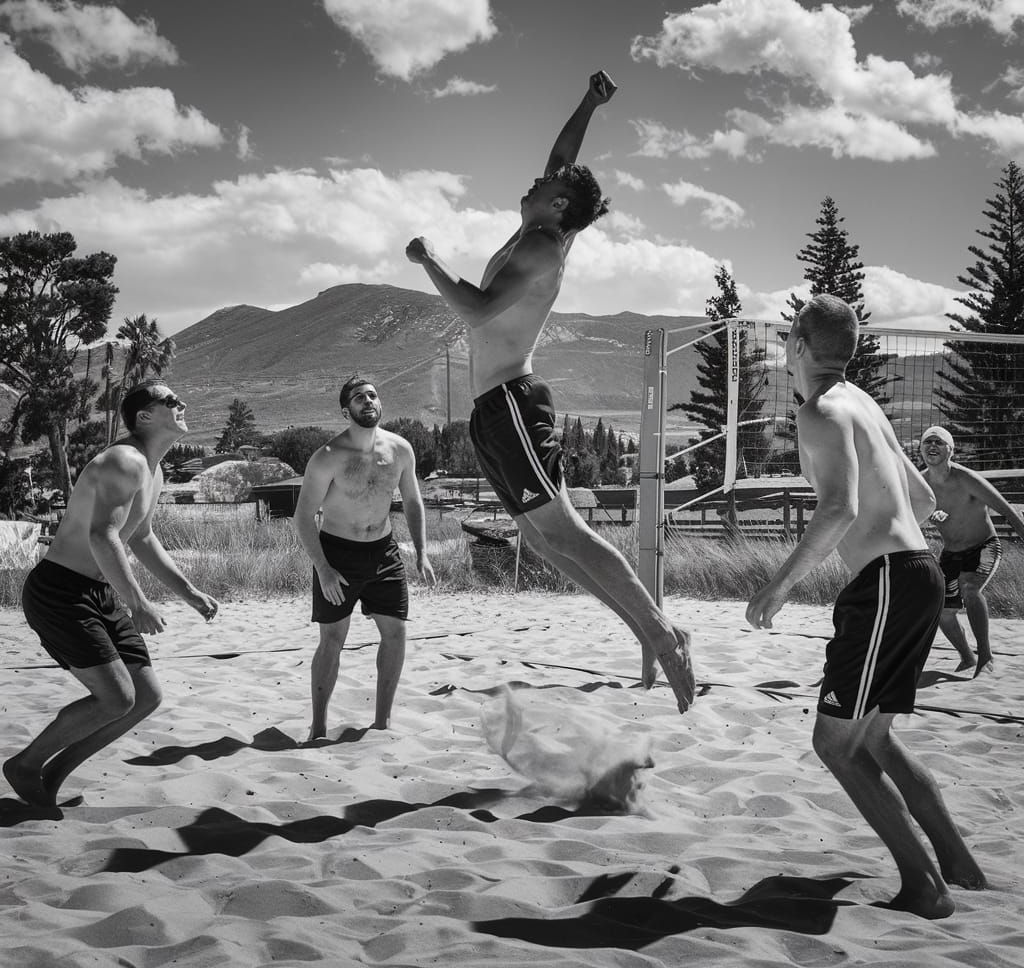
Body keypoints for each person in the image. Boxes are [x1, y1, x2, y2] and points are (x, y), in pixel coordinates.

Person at [405, 69, 694, 713]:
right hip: (492, 409)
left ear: (559, 206)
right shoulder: (543, 224)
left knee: (563, 532)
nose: (536, 179)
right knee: (542, 540)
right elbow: (564, 158)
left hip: (512, 403)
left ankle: (663, 632)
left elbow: (477, 310)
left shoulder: (540, 246)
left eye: (547, 185)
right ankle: (648, 629)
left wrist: (429, 261)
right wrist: (590, 101)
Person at [746, 296, 985, 919]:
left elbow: (839, 510)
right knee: (874, 739)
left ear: (796, 345)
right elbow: (926, 494)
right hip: (918, 575)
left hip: (886, 584)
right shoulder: (864, 403)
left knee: (836, 746)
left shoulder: (821, 412)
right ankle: (960, 865)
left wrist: (777, 587)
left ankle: (926, 887)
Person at [3, 381, 218, 807]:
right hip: (60, 591)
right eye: (172, 401)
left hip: (97, 590)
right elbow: (103, 536)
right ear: (145, 416)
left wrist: (189, 591)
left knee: (146, 697)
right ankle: (26, 765)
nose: (183, 404)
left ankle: (54, 774)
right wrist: (138, 603)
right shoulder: (124, 460)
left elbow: (141, 537)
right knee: (117, 697)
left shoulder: (151, 469)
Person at [294, 375, 435, 735]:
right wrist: (323, 569)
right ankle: (319, 727)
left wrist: (421, 552)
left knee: (396, 633)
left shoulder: (400, 449)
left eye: (373, 395)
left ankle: (382, 723)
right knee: (332, 641)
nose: (368, 401)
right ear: (346, 410)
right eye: (359, 398)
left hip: (384, 553)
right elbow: (303, 516)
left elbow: (413, 500)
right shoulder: (327, 457)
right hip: (338, 555)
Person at [920, 425, 1024, 676]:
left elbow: (1006, 508)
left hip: (984, 546)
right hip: (951, 553)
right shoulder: (920, 485)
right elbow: (905, 517)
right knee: (943, 611)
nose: (932, 446)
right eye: (927, 442)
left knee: (969, 587)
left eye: (939, 442)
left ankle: (985, 656)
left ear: (950, 450)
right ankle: (967, 657)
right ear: (921, 450)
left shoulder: (965, 478)